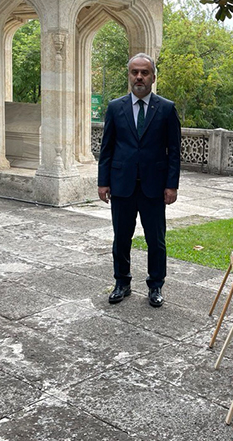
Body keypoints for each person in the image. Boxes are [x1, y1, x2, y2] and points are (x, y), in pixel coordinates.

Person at [97, 53, 181, 308]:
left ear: (153, 77)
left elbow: (174, 151)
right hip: (122, 184)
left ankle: (155, 285)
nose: (139, 77)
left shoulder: (166, 108)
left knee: (156, 240)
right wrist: (103, 182)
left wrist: (172, 185)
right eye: (135, 72)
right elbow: (107, 148)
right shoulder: (115, 107)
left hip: (154, 186)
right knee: (121, 238)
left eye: (144, 72)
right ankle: (122, 282)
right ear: (129, 76)